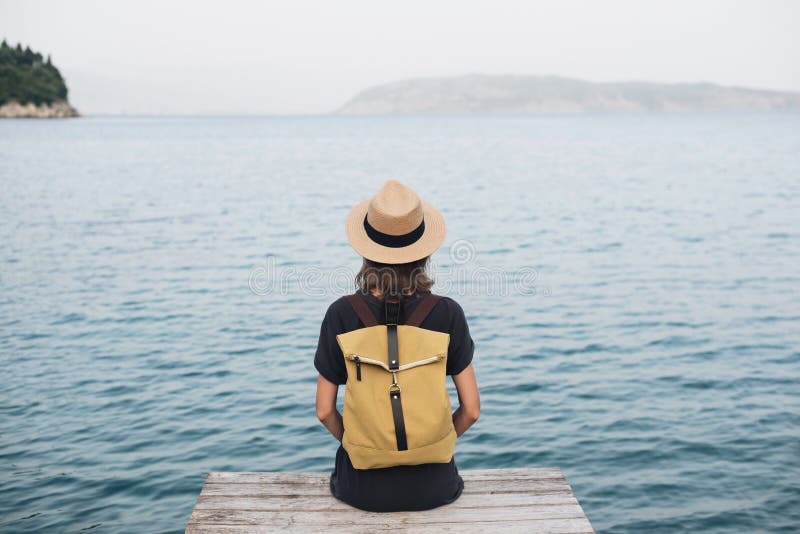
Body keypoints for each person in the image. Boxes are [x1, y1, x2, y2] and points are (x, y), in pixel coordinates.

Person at [314, 179, 481, 512]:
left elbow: (324, 411)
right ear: (424, 250)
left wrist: (361, 446)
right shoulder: (447, 313)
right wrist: (436, 444)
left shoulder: (341, 313)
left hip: (360, 487)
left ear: (366, 250)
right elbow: (472, 410)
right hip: (435, 485)